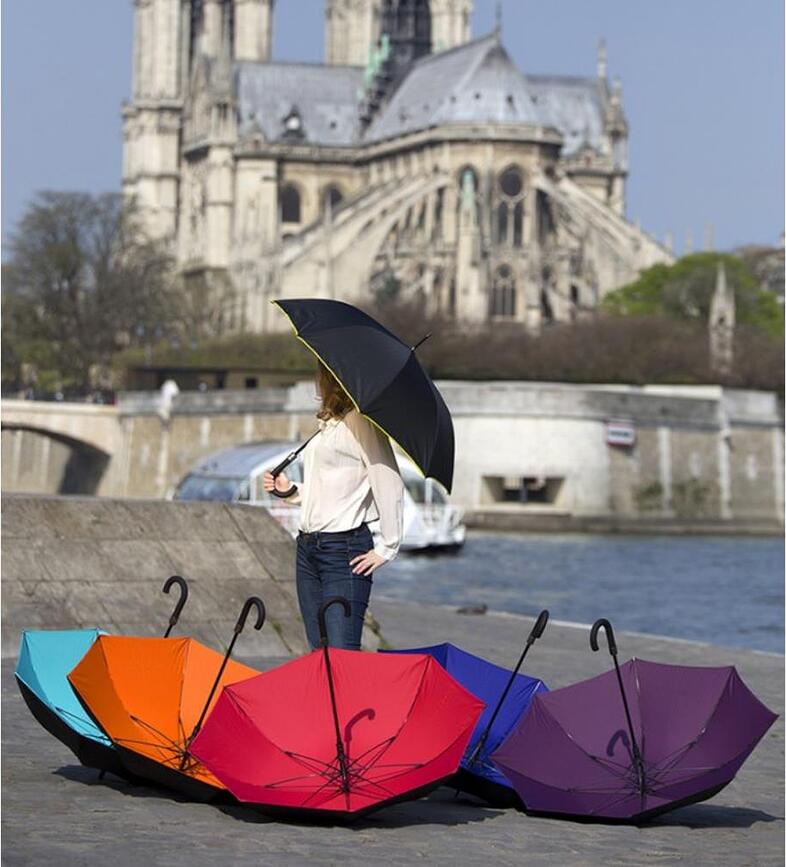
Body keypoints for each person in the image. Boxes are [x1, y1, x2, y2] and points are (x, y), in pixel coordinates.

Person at [263, 362, 404, 651]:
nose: (317, 380)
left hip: (343, 549)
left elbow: (387, 478)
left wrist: (387, 547)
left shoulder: (361, 423)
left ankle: (351, 698)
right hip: (308, 548)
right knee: (319, 652)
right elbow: (332, 486)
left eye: (320, 373)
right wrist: (290, 491)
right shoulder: (329, 424)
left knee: (341, 653)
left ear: (331, 378)